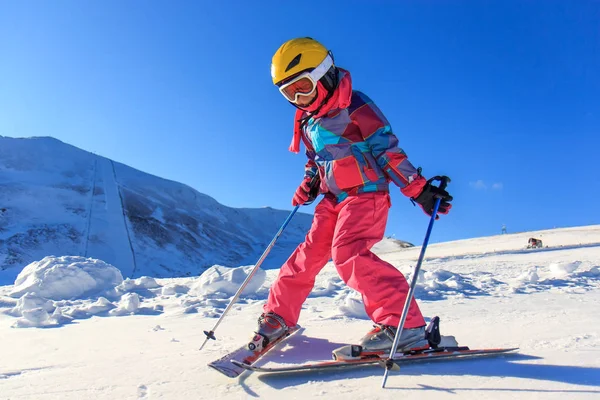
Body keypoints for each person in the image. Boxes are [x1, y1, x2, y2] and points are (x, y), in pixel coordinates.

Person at [251, 37, 453, 357]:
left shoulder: (355, 106)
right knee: (307, 255)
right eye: (289, 93)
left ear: (324, 74)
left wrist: (419, 189)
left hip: (366, 195)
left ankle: (404, 325)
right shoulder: (307, 121)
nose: (299, 99)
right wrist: (310, 183)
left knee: (349, 253)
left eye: (303, 86)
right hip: (332, 200)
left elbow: (387, 150)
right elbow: (316, 160)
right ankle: (278, 316)